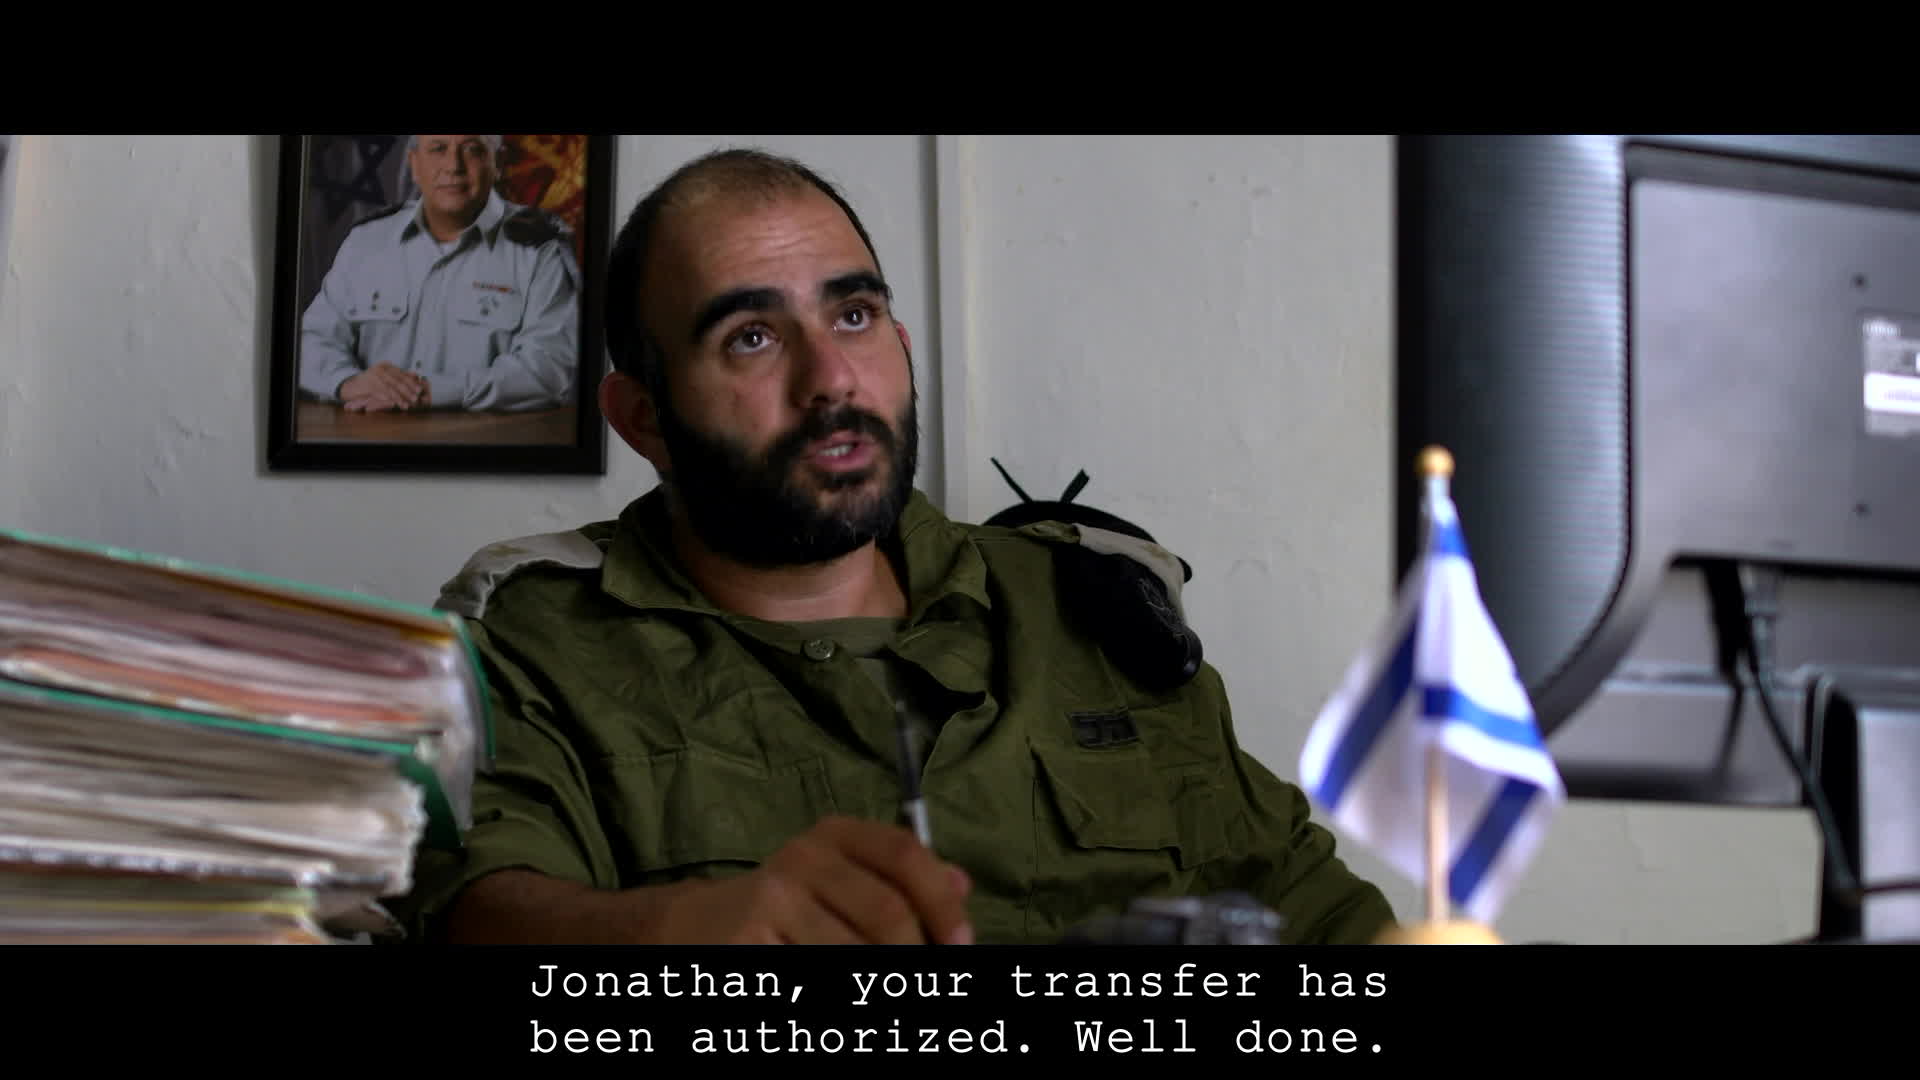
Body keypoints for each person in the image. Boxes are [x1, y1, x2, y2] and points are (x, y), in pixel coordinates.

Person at [388, 147, 1396, 946]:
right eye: (751, 336)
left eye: (855, 314)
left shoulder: (1086, 601)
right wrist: (681, 930)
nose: (832, 377)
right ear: (643, 416)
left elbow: (1314, 905)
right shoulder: (534, 636)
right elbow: (474, 904)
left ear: (902, 352)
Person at [298, 134, 580, 414]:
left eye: (472, 150)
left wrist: (432, 392)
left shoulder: (540, 251)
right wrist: (347, 382)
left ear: (498, 163)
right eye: (438, 149)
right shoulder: (367, 242)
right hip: (365, 434)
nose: (453, 166)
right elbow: (308, 342)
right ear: (413, 164)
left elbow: (551, 369)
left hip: (486, 438)